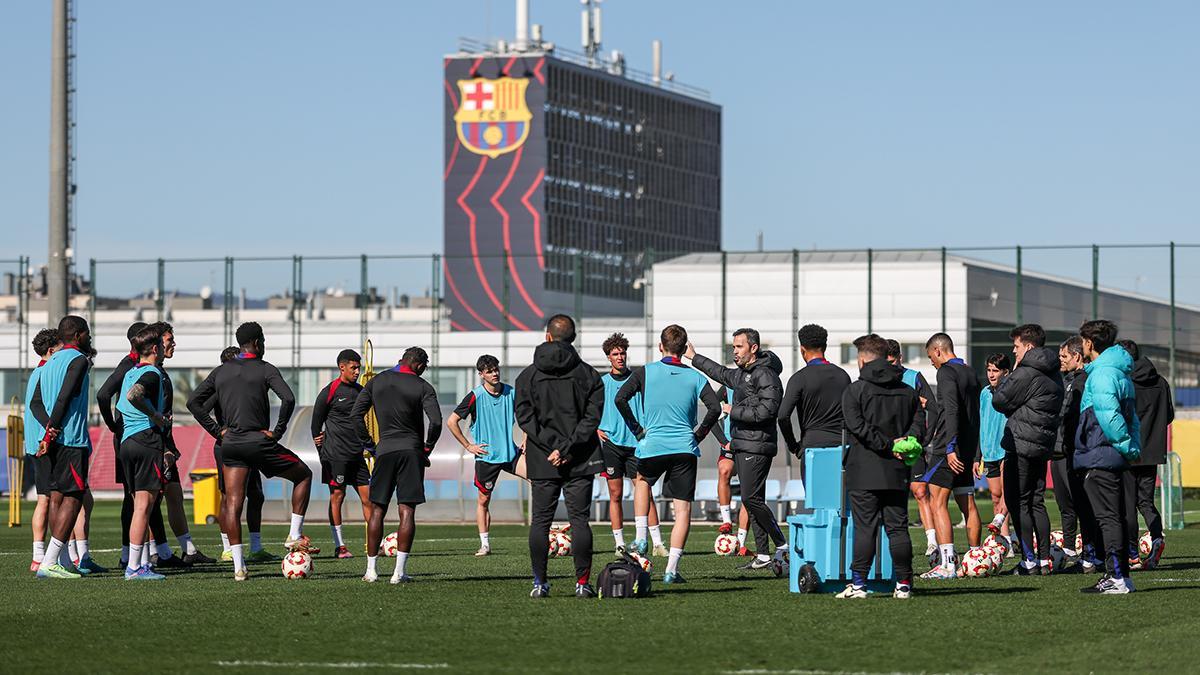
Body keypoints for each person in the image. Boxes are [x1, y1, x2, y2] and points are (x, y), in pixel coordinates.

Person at [187, 322, 312, 581]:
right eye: (263, 340)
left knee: (233, 502)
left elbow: (193, 402)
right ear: (257, 342)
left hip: (231, 444)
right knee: (304, 475)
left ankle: (238, 567)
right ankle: (294, 535)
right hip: (258, 440)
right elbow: (288, 398)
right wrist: (278, 431)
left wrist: (217, 431)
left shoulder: (221, 372)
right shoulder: (265, 369)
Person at [615, 325, 721, 584]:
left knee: (642, 482)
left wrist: (637, 430)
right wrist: (699, 434)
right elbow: (715, 407)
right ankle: (671, 570)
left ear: (660, 346)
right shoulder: (696, 377)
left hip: (653, 446)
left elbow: (620, 399)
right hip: (685, 448)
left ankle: (641, 537)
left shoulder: (646, 372)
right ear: (684, 349)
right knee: (682, 510)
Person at [514, 314, 605, 598]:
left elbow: (525, 418)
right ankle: (582, 583)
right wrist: (567, 447)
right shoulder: (588, 374)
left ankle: (540, 583)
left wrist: (553, 447)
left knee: (540, 521)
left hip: (544, 457)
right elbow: (593, 418)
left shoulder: (527, 376)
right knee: (579, 520)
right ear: (573, 338)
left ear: (547, 336)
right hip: (580, 456)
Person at [687, 329, 788, 575]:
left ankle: (784, 545)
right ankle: (763, 554)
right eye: (733, 347)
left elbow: (767, 412)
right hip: (744, 443)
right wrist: (693, 357)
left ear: (753, 348)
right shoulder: (744, 374)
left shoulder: (765, 374)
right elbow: (720, 373)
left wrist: (733, 410)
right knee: (754, 501)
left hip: (757, 444)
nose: (735, 351)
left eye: (739, 347)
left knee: (750, 499)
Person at [835, 335, 924, 599]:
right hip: (897, 470)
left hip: (864, 469)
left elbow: (857, 427)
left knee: (865, 528)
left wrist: (888, 445)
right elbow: (920, 424)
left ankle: (859, 585)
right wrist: (903, 444)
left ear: (862, 359)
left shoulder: (855, 390)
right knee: (898, 528)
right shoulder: (908, 391)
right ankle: (904, 585)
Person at [352, 346, 442, 584]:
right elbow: (436, 422)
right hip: (411, 451)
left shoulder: (377, 381)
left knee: (377, 509)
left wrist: (370, 445)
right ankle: (398, 573)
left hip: (384, 450)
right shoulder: (423, 387)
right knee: (407, 510)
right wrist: (427, 447)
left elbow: (355, 414)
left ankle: (371, 571)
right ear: (420, 366)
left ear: (401, 360)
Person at [990, 324, 1064, 576]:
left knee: (1017, 501)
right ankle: (1043, 560)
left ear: (1029, 347)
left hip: (1020, 443)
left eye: (1017, 346)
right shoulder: (1054, 372)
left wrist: (1008, 390)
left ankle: (1028, 562)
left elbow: (999, 399)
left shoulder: (1026, 372)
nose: (1014, 351)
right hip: (1042, 444)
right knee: (1036, 501)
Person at [1075, 320, 1141, 594]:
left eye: (1082, 341)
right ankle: (1121, 576)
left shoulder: (1101, 375)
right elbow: (1133, 420)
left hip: (1101, 455)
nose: (1081, 346)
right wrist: (1132, 448)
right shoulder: (1119, 372)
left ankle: (1116, 578)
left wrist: (1125, 446)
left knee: (1108, 518)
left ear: (1089, 343)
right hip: (1113, 455)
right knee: (1116, 516)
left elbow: (1110, 418)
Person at [29, 315, 94, 579]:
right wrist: (54, 427)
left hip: (55, 439)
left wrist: (48, 430)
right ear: (78, 335)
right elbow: (65, 396)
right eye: (87, 333)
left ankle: (60, 560)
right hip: (71, 439)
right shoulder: (79, 360)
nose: (89, 337)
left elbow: (35, 403)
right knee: (74, 497)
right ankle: (50, 560)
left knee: (56, 495)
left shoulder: (49, 362)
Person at [149, 321, 215, 566]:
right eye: (169, 340)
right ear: (155, 344)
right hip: (153, 446)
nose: (173, 344)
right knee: (148, 501)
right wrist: (161, 446)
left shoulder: (161, 373)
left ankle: (186, 549)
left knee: (174, 495)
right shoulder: (147, 373)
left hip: (165, 445)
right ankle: (148, 553)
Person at [447, 354, 527, 557]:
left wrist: (526, 438)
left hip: (510, 453)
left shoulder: (511, 392)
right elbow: (451, 421)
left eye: (496, 369)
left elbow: (528, 415)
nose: (494, 373)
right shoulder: (475, 396)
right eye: (489, 371)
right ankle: (485, 544)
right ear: (481, 374)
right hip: (486, 457)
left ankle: (547, 530)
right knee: (483, 501)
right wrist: (468, 446)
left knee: (541, 479)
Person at [595, 333, 664, 556]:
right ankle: (619, 544)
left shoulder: (637, 378)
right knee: (615, 495)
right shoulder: (602, 383)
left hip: (637, 444)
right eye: (615, 354)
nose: (620, 357)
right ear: (608, 357)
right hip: (613, 445)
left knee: (646, 492)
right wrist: (596, 427)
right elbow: (590, 409)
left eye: (622, 353)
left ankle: (657, 543)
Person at [921, 333, 982, 579]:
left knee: (937, 502)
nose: (932, 363)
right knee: (967, 502)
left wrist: (949, 447)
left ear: (938, 351)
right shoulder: (969, 371)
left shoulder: (946, 372)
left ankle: (947, 565)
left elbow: (952, 410)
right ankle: (976, 558)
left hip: (950, 447)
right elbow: (974, 414)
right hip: (967, 448)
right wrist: (975, 452)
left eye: (930, 358)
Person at [116, 325, 172, 581]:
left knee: (140, 504)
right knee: (143, 506)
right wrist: (156, 416)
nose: (163, 349)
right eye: (161, 345)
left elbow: (119, 401)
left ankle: (138, 564)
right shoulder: (151, 373)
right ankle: (135, 567)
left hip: (126, 441)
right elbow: (134, 395)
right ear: (153, 349)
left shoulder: (129, 371)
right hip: (146, 440)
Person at [209, 346, 274, 563]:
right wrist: (218, 430)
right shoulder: (222, 385)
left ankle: (256, 547)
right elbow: (199, 405)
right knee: (229, 498)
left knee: (256, 494)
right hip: (228, 446)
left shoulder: (241, 384)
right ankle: (228, 547)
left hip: (248, 443)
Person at [96, 321, 148, 569]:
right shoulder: (129, 365)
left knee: (142, 496)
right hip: (134, 436)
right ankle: (131, 555)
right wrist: (113, 424)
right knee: (136, 497)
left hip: (132, 436)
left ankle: (151, 552)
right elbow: (103, 394)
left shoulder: (139, 366)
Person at [312, 349, 373, 559]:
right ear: (342, 367)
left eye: (359, 367)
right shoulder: (330, 391)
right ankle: (340, 546)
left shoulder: (360, 391)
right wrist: (320, 446)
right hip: (335, 455)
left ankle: (376, 543)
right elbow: (315, 422)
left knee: (370, 498)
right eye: (354, 368)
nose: (357, 371)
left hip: (357, 455)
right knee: (338, 496)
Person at [1118, 339, 1172, 570]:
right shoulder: (1161, 382)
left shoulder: (1125, 381)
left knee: (1127, 504)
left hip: (1130, 450)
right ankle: (1157, 536)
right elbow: (1168, 415)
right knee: (1146, 502)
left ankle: (1132, 554)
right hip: (1152, 450)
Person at [885, 338, 941, 559]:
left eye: (893, 361)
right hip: (889, 446)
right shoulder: (877, 380)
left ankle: (932, 542)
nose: (890, 366)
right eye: (886, 362)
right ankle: (889, 540)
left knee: (920, 492)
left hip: (912, 445)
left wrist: (925, 439)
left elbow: (934, 408)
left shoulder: (913, 377)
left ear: (900, 358)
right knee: (889, 494)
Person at [777, 323, 851, 483]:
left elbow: (783, 416)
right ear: (825, 346)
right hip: (842, 447)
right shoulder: (843, 376)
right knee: (840, 499)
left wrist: (793, 446)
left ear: (802, 349)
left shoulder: (799, 378)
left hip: (812, 446)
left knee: (817, 499)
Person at [1056, 336, 1097, 571]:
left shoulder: (1084, 381)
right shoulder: (1065, 380)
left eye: (1064, 357)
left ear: (1077, 357)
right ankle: (1070, 548)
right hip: (1060, 450)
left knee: (1083, 504)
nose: (1060, 361)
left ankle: (1091, 554)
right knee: (1065, 505)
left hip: (1076, 450)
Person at [24, 329, 61, 573]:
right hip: (41, 442)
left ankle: (40, 555)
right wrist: (50, 429)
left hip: (34, 441)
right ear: (51, 351)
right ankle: (41, 555)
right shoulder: (45, 373)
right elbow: (37, 407)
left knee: (44, 499)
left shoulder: (35, 373)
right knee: (47, 499)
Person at [977, 354, 1012, 551]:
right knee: (996, 496)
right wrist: (978, 455)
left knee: (1008, 493)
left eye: (995, 370)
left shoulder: (1010, 392)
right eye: (989, 370)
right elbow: (981, 421)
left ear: (1005, 372)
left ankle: (1000, 522)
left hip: (1006, 448)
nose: (991, 374)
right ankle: (1005, 541)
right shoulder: (984, 393)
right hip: (989, 450)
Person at [712, 387, 752, 555]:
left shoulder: (761, 382)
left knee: (749, 493)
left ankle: (740, 542)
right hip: (730, 443)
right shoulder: (728, 385)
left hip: (751, 443)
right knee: (724, 470)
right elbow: (711, 411)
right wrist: (723, 440)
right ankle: (727, 520)